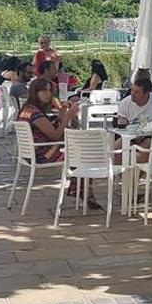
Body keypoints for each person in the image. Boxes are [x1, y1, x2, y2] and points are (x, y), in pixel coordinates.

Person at [17, 79, 98, 208]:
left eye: (50, 90)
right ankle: (84, 191)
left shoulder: (27, 110)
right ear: (35, 92)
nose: (48, 94)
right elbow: (54, 135)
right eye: (44, 90)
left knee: (79, 150)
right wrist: (69, 116)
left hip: (34, 152)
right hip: (43, 155)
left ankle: (83, 190)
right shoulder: (34, 113)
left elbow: (55, 129)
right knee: (82, 154)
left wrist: (62, 111)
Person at [115, 75, 152, 163]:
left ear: (146, 93)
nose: (132, 94)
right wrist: (123, 124)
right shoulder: (125, 102)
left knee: (147, 146)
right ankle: (119, 174)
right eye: (132, 90)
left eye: (136, 92)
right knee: (116, 148)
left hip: (148, 137)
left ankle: (139, 175)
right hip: (128, 136)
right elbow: (121, 122)